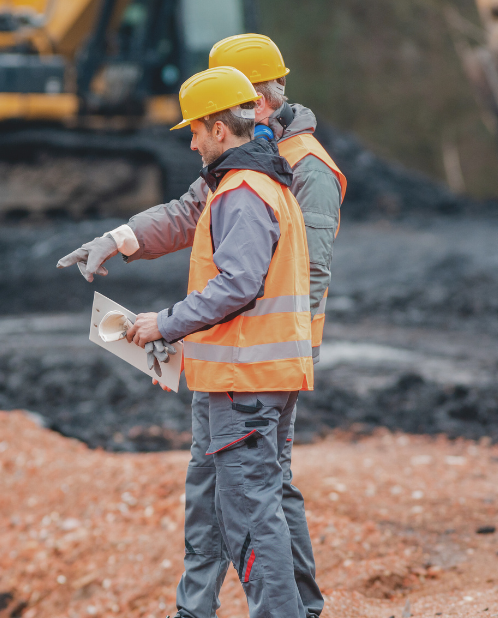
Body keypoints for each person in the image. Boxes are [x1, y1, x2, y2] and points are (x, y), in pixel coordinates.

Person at [56, 34, 343, 618]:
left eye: (197, 126)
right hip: (232, 361)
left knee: (255, 500)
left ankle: (295, 610)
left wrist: (167, 325)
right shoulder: (246, 165)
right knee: (228, 493)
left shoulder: (286, 169)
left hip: (253, 367)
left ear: (247, 105)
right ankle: (208, 610)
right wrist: (118, 239)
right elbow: (190, 213)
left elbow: (284, 277)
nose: (190, 140)